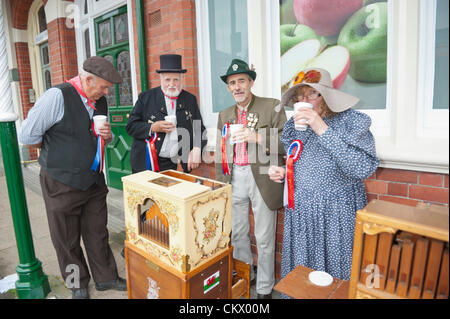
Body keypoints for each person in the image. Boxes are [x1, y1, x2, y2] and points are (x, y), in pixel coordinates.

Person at [18, 56, 127, 299]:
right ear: (88, 79)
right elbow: (27, 135)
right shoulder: (56, 96)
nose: (107, 92)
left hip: (94, 181)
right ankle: (77, 284)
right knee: (66, 239)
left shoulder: (100, 101)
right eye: (104, 86)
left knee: (98, 232)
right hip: (61, 181)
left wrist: (106, 137)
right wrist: (56, 150)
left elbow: (99, 139)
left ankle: (106, 277)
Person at [268, 68, 379, 293]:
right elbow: (301, 163)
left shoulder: (351, 121)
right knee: (304, 277)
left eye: (312, 94)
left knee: (336, 278)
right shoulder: (295, 127)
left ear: (327, 96)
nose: (304, 100)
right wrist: (284, 171)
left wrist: (321, 127)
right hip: (302, 214)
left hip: (336, 215)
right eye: (300, 95)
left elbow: (362, 168)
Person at [215, 59, 287, 299]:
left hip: (263, 178)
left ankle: (265, 288)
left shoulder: (272, 106)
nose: (237, 87)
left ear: (251, 82)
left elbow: (286, 142)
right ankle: (246, 277)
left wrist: (255, 137)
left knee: (264, 237)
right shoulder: (224, 114)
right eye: (232, 83)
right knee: (238, 234)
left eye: (241, 81)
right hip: (234, 177)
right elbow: (221, 151)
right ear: (228, 87)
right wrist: (220, 185)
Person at [126, 54, 207, 173]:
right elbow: (131, 126)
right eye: (167, 79)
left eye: (176, 79)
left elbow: (199, 129)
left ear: (181, 80)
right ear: (161, 80)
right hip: (148, 162)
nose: (172, 84)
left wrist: (197, 148)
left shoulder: (190, 99)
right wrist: (153, 127)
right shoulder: (146, 98)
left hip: (177, 163)